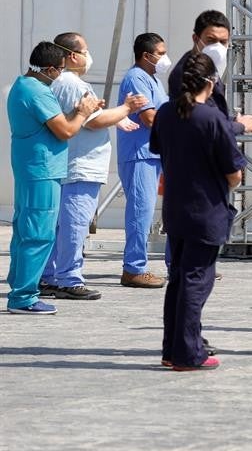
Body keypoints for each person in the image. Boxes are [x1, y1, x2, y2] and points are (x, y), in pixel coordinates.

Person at [150, 53, 246, 371]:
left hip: (176, 207)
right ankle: (188, 352)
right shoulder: (211, 118)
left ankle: (171, 348)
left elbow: (158, 149)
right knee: (196, 280)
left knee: (178, 279)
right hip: (206, 210)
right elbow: (234, 173)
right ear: (211, 82)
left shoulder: (165, 113)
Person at [40, 32, 148, 300]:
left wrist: (114, 116)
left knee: (62, 226)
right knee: (74, 226)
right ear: (73, 55)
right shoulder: (72, 83)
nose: (89, 56)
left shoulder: (66, 82)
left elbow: (94, 116)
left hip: (73, 166)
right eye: (85, 50)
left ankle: (50, 276)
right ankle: (68, 278)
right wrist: (126, 108)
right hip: (80, 167)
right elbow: (94, 121)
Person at [6, 42, 100, 314]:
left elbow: (55, 123)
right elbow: (66, 131)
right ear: (48, 69)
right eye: (59, 70)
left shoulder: (23, 84)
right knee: (39, 233)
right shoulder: (39, 93)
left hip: (30, 168)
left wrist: (79, 111)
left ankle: (20, 284)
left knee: (25, 230)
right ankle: (24, 297)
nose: (61, 74)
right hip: (42, 170)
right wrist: (82, 112)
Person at [116, 33, 170, 288]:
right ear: (146, 55)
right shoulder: (136, 78)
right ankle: (134, 268)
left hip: (154, 153)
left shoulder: (153, 80)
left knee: (152, 211)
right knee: (141, 212)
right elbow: (149, 118)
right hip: (140, 154)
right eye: (161, 53)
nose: (164, 57)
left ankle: (177, 263)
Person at [167, 9, 252, 135]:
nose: (218, 47)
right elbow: (202, 124)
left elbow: (212, 115)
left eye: (223, 42)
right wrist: (240, 126)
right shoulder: (187, 74)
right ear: (195, 38)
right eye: (211, 40)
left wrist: (237, 120)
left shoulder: (208, 67)